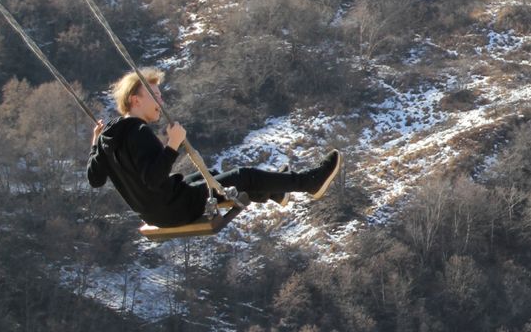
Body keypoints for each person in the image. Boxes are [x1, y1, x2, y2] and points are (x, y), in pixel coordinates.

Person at [87, 68, 342, 228]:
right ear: (136, 100)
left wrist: (95, 144)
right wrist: (173, 145)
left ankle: (274, 191)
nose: (161, 101)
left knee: (203, 175)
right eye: (155, 96)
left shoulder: (109, 136)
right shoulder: (139, 132)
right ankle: (310, 182)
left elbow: (95, 179)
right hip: (174, 209)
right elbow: (153, 178)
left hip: (156, 212)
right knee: (244, 176)